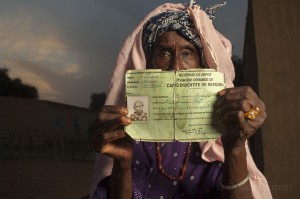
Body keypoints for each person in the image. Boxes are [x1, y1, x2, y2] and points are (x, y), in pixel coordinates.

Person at [88, 1, 272, 199]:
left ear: (202, 65)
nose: (175, 67)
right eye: (164, 53)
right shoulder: (130, 132)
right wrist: (122, 165)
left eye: (187, 53)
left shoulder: (222, 132)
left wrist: (234, 149)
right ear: (148, 65)